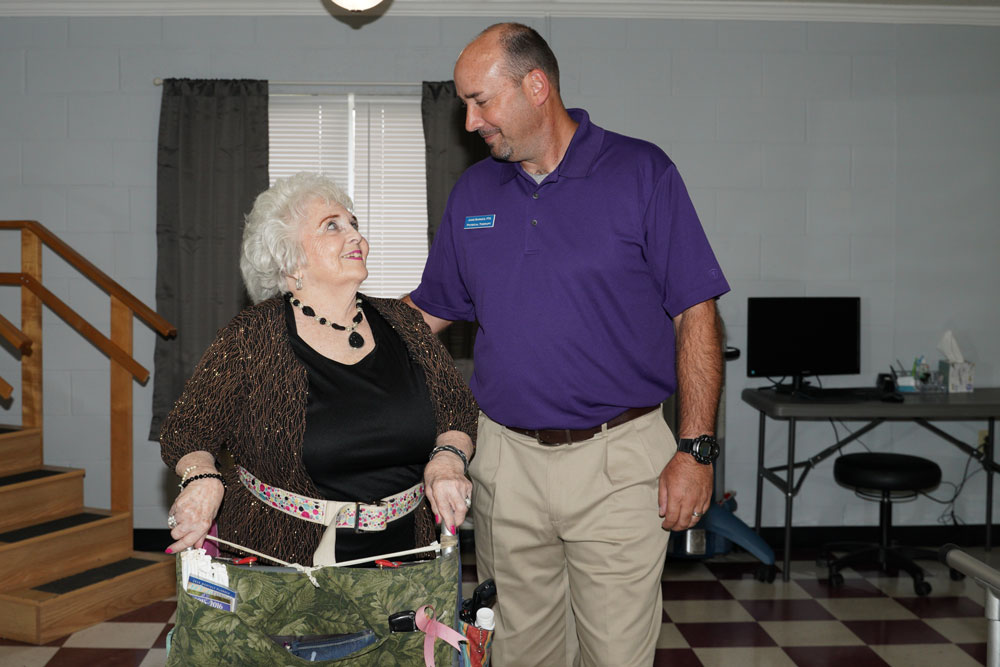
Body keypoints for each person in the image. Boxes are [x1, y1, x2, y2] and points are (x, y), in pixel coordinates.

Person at [404, 23, 730, 667]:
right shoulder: (474, 193)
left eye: (480, 101)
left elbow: (697, 312)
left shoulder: (641, 172)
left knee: (613, 654)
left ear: (536, 86)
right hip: (506, 464)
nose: (469, 122)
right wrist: (317, 335)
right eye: (464, 105)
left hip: (620, 463)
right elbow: (427, 312)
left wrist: (695, 450)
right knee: (521, 653)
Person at [160, 172, 477, 567]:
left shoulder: (404, 323)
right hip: (285, 564)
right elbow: (188, 429)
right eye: (332, 226)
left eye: (354, 225)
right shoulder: (251, 337)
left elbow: (457, 409)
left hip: (406, 558)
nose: (356, 237)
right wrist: (201, 477)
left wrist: (448, 459)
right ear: (290, 262)